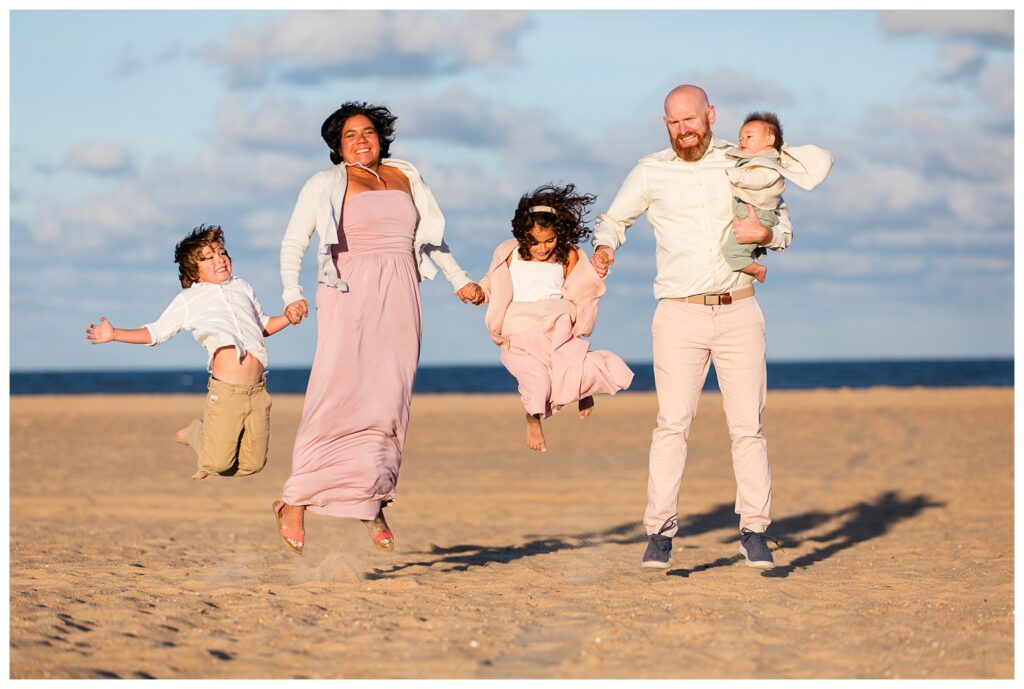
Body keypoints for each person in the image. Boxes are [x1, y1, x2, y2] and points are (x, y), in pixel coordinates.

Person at [591, 85, 790, 570]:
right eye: (674, 123)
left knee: (748, 428)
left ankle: (755, 530)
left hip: (739, 309)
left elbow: (781, 227)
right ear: (666, 125)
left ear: (711, 115)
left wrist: (763, 234)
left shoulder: (743, 161)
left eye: (691, 120)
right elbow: (614, 219)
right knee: (671, 425)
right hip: (678, 314)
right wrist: (605, 246)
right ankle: (659, 534)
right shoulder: (650, 169)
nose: (684, 131)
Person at [273, 101, 484, 555]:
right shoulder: (325, 184)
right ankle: (295, 500)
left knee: (388, 399)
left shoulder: (406, 175)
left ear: (381, 136)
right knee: (336, 392)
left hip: (402, 292)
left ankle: (371, 499)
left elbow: (430, 238)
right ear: (337, 144)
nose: (361, 140)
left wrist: (460, 279)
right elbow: (295, 240)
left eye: (367, 132)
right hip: (348, 291)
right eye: (350, 135)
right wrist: (292, 292)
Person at [85, 225, 291, 480]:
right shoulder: (189, 299)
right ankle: (196, 433)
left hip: (258, 390)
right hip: (226, 391)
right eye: (209, 257)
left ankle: (206, 447)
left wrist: (289, 317)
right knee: (216, 463)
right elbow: (155, 332)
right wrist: (115, 334)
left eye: (222, 253)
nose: (220, 259)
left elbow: (264, 326)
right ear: (194, 271)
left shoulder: (242, 287)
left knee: (253, 464)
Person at [477, 184, 633, 452]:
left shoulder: (568, 255)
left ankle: (583, 391)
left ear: (559, 234)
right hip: (521, 328)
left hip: (556, 321)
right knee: (536, 378)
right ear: (522, 234)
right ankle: (533, 417)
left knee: (578, 364)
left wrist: (599, 267)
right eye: (534, 241)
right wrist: (478, 292)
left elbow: (584, 284)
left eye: (549, 240)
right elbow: (492, 281)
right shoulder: (508, 252)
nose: (542, 248)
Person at [723, 111, 833, 283]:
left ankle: (757, 270)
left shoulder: (768, 165)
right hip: (749, 214)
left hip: (759, 216)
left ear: (770, 140)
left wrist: (736, 176)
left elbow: (760, 179)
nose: (742, 141)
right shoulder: (747, 159)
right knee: (736, 249)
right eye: (740, 138)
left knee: (732, 253)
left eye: (749, 137)